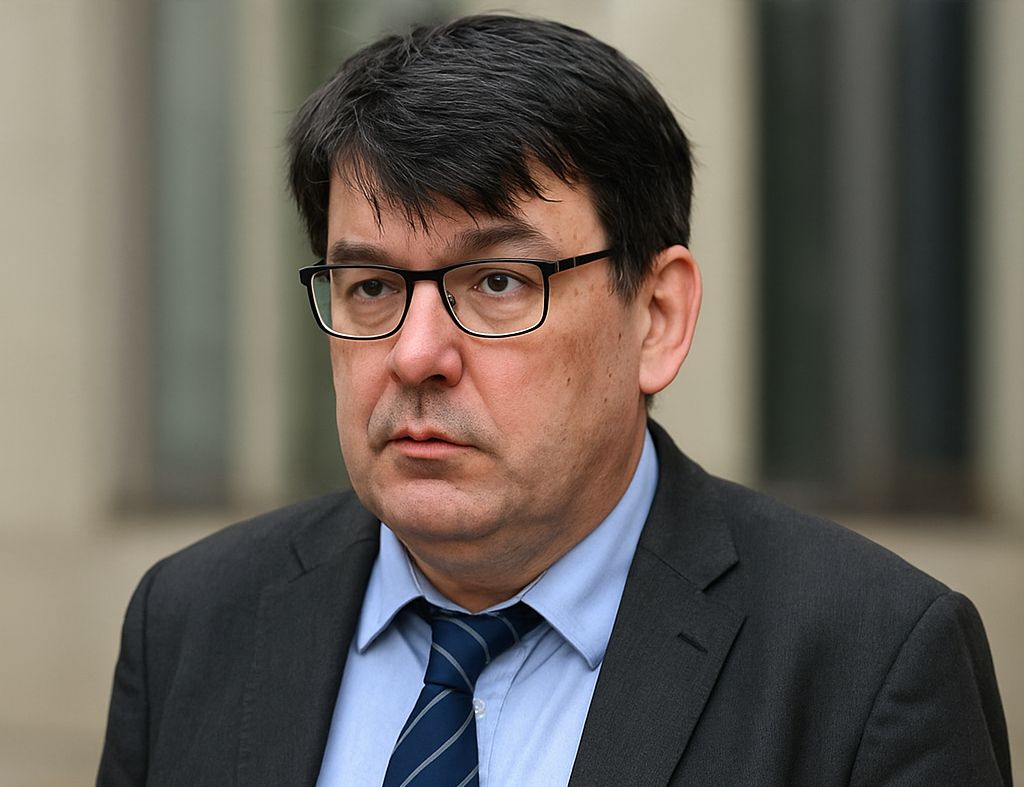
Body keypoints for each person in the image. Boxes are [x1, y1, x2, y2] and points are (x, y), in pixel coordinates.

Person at [97, 14, 1011, 787]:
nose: (415, 354)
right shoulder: (191, 622)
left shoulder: (872, 663)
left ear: (657, 317)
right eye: (371, 287)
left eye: (498, 281)